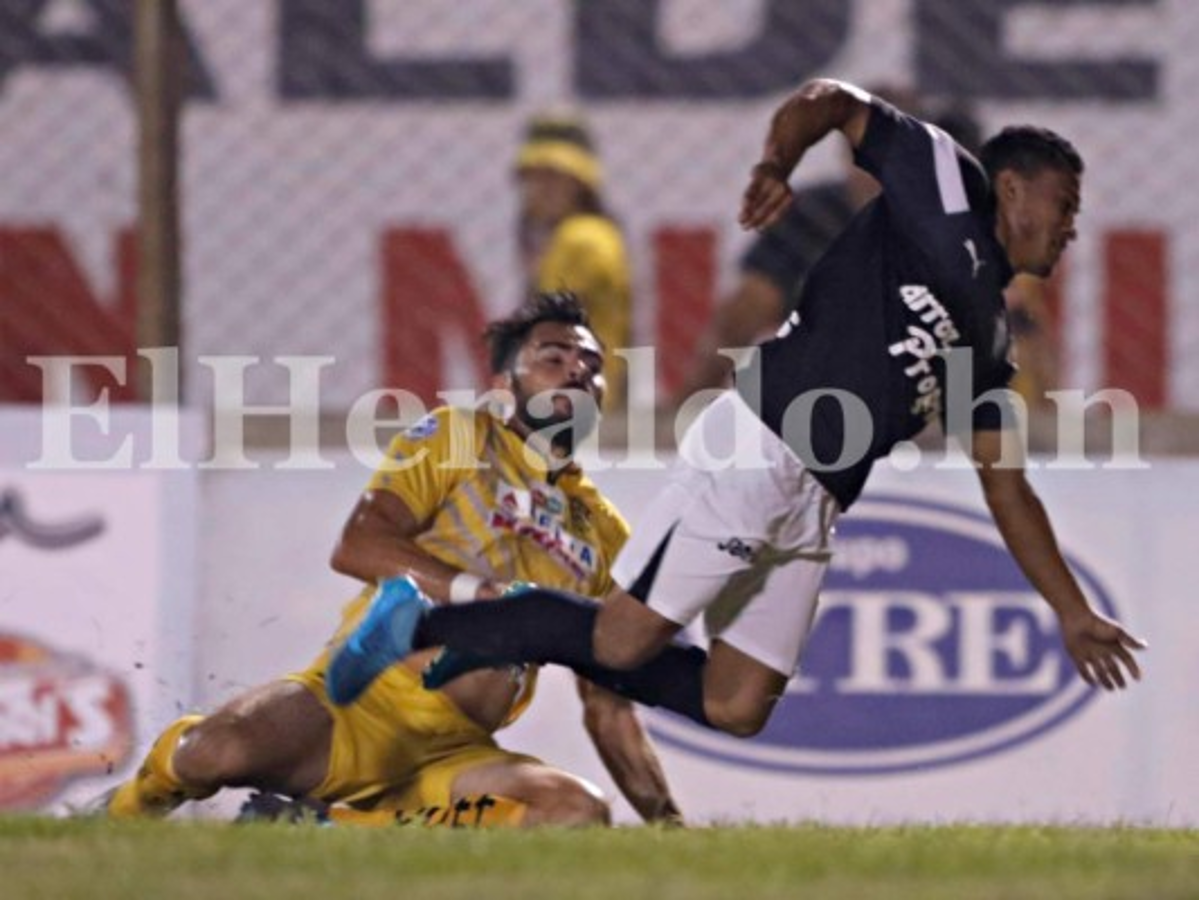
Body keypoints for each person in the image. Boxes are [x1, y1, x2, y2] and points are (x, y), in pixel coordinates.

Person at [327, 79, 1147, 743]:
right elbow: (830, 100)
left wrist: (1071, 613)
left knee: (736, 703)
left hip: (816, 497)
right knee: (620, 639)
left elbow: (1007, 489)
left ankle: (500, 628)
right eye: (1065, 206)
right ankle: (425, 623)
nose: (1071, 228)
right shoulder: (942, 178)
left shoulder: (988, 334)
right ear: (1011, 186)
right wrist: (776, 164)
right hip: (760, 440)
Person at [97, 292, 682, 827]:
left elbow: (609, 707)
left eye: (593, 364)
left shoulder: (605, 531)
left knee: (578, 810)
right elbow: (359, 545)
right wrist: (484, 598)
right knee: (212, 754)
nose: (580, 369)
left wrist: (667, 823)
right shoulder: (459, 436)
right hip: (350, 709)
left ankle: (326, 827)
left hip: (455, 752)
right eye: (554, 356)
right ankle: (128, 806)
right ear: (504, 382)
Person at [675, 94, 1058, 411]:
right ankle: (685, 418)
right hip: (830, 376)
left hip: (939, 390)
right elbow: (750, 304)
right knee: (753, 299)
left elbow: (1022, 330)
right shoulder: (813, 215)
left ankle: (1032, 443)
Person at [516, 113, 632, 409]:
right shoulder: (587, 234)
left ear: (581, 184)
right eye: (533, 177)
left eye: (553, 177)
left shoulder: (580, 239)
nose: (538, 189)